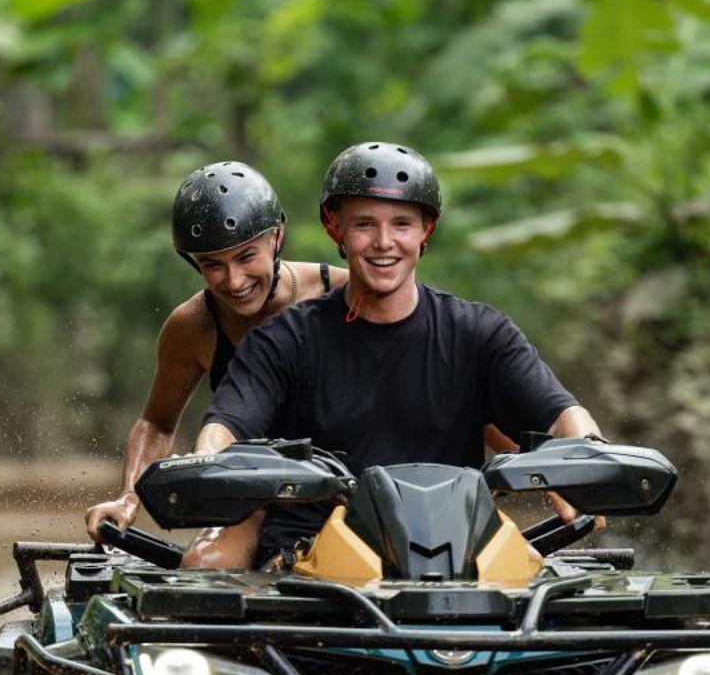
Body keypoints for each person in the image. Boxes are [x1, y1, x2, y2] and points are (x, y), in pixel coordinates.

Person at [182, 141, 603, 569]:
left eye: (402, 224)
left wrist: (589, 457)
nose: (384, 242)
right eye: (365, 224)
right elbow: (227, 426)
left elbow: (560, 414)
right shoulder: (281, 342)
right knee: (203, 573)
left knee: (540, 579)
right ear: (335, 228)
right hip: (310, 561)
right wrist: (206, 464)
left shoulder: (481, 334)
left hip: (457, 555)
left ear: (426, 231)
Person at [82, 161, 344, 541]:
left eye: (245, 257)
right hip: (252, 503)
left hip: (347, 491)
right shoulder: (193, 327)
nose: (234, 281)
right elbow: (157, 422)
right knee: (203, 563)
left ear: (277, 237)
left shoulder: (342, 295)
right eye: (213, 265)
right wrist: (129, 499)